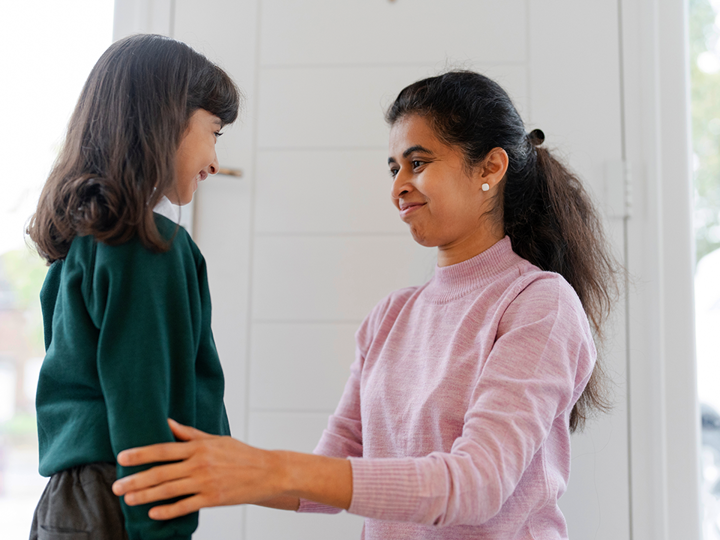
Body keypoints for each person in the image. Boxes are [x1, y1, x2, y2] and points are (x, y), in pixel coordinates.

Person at [112, 70, 620, 539]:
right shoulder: (391, 316)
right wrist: (222, 466)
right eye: (395, 167)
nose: (399, 186)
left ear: (490, 167)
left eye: (418, 163)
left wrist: (267, 469)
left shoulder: (539, 304)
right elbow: (329, 472)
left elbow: (478, 484)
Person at [26, 34, 240, 540]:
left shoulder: (86, 243)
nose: (213, 161)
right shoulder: (150, 247)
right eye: (213, 132)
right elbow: (146, 407)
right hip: (120, 504)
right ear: (165, 122)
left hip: (69, 502)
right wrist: (164, 528)